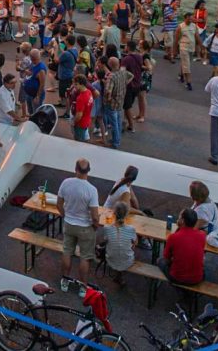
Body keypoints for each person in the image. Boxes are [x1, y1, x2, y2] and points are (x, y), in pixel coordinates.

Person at [57, 158, 100, 295]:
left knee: (67, 252)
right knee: (84, 257)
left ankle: (65, 281)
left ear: (75, 169)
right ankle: (83, 287)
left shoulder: (66, 183)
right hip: (85, 227)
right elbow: (95, 215)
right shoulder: (92, 190)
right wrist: (95, 225)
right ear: (89, 171)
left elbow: (59, 204)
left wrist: (65, 215)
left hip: (69, 224)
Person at [160, 208, 206, 285]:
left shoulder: (173, 237)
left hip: (177, 278)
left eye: (179, 217)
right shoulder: (202, 235)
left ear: (182, 221)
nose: (178, 219)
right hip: (197, 279)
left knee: (160, 261)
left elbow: (166, 257)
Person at [96, 202, 136, 285]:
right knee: (127, 247)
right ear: (126, 214)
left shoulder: (107, 228)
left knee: (113, 246)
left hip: (111, 260)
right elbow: (135, 243)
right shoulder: (131, 229)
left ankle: (118, 276)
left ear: (114, 213)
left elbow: (105, 240)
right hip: (127, 261)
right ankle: (119, 276)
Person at [175, 12, 198, 90]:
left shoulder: (194, 26)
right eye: (189, 19)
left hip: (191, 48)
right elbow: (176, 39)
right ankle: (188, 82)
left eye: (192, 19)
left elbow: (197, 37)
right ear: (185, 18)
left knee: (186, 63)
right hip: (183, 48)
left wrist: (202, 47)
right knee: (187, 66)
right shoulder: (180, 27)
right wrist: (174, 50)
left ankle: (181, 74)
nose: (191, 20)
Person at [71, 74, 94, 142]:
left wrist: (74, 122)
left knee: (78, 142)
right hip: (86, 120)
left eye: (76, 84)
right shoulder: (89, 92)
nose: (74, 86)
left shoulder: (80, 98)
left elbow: (79, 115)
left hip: (80, 124)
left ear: (82, 84)